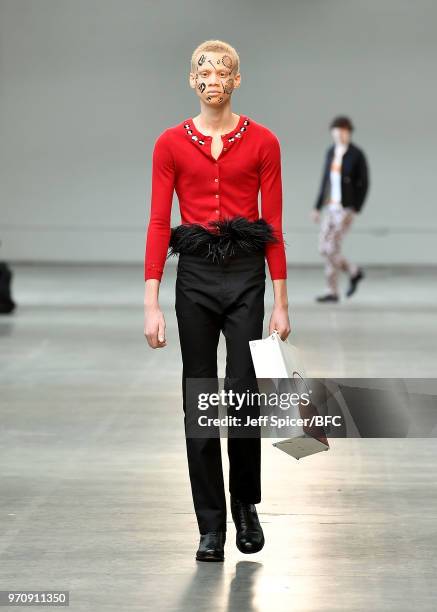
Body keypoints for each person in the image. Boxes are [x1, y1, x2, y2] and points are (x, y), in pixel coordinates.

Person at [143, 39, 291, 561]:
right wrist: (151, 301)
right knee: (200, 397)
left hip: (247, 275)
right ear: (191, 81)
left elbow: (272, 224)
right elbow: (161, 222)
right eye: (203, 71)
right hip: (197, 278)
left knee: (245, 393)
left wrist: (281, 299)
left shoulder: (264, 142)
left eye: (222, 71)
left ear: (237, 79)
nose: (213, 79)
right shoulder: (170, 144)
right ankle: (210, 525)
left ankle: (245, 507)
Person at [311, 116, 369, 302]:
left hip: (346, 209)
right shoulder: (330, 152)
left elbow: (364, 182)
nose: (339, 136)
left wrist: (356, 207)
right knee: (324, 248)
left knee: (331, 247)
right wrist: (317, 207)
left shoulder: (356, 154)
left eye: (343, 132)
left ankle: (333, 290)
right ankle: (352, 273)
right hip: (331, 207)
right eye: (336, 133)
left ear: (349, 132)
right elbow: (325, 181)